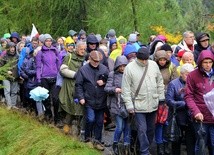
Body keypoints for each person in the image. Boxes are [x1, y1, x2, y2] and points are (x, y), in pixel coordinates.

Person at [121, 47, 165, 154]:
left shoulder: (153, 65)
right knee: (142, 129)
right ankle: (144, 151)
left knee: (150, 130)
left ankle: (142, 147)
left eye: (146, 59)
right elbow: (125, 89)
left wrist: (161, 98)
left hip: (153, 103)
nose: (144, 62)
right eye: (142, 60)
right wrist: (129, 106)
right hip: (138, 105)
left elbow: (159, 82)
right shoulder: (129, 68)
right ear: (137, 58)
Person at [75, 50, 109, 151]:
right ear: (89, 59)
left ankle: (97, 141)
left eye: (98, 61)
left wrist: (104, 82)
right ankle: (87, 139)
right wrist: (81, 97)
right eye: (94, 61)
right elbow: (78, 85)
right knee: (90, 119)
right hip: (88, 100)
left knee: (99, 122)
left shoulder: (104, 69)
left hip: (101, 100)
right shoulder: (83, 70)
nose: (96, 63)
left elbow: (110, 81)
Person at [185, 50, 214, 154]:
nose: (208, 65)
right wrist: (196, 111)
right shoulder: (193, 75)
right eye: (205, 62)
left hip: (213, 115)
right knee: (201, 145)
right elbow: (188, 96)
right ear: (200, 62)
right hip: (201, 117)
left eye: (210, 62)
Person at [166, 63, 195, 155]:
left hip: (190, 117)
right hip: (177, 117)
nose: (189, 76)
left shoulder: (193, 83)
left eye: (191, 74)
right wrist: (185, 104)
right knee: (176, 142)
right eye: (187, 74)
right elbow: (169, 101)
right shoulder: (173, 84)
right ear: (181, 74)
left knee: (191, 142)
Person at [59, 41, 86, 134]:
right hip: (69, 85)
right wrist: (75, 75)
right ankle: (66, 127)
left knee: (80, 108)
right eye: (81, 49)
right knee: (69, 105)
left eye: (84, 49)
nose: (83, 51)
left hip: (81, 86)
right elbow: (62, 70)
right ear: (76, 48)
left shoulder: (86, 58)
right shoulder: (69, 57)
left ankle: (78, 130)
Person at [154, 49, 178, 155]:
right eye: (160, 60)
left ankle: (165, 144)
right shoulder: (152, 68)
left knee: (166, 123)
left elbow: (175, 82)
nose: (162, 62)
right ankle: (159, 146)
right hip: (157, 98)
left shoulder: (171, 67)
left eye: (164, 59)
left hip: (168, 98)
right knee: (159, 123)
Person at [104, 55, 130, 155]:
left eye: (124, 66)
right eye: (121, 66)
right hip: (117, 104)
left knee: (127, 127)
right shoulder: (112, 74)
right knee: (119, 126)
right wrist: (115, 89)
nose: (122, 68)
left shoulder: (130, 74)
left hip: (128, 104)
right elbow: (107, 88)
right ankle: (115, 143)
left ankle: (126, 145)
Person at [36, 34, 60, 123]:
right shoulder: (40, 52)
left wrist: (59, 75)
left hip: (54, 77)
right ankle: (49, 116)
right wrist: (39, 79)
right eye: (47, 40)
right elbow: (38, 67)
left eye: (50, 40)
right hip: (44, 78)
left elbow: (59, 64)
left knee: (55, 99)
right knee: (46, 99)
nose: (49, 42)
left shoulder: (55, 51)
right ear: (44, 42)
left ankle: (57, 118)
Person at [0, 42, 19, 109]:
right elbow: (1, 67)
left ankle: (13, 105)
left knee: (14, 91)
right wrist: (6, 71)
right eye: (11, 47)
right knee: (7, 91)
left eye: (13, 47)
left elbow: (19, 66)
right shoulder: (4, 57)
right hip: (6, 76)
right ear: (8, 48)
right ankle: (9, 105)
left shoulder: (17, 56)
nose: (12, 49)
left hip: (15, 76)